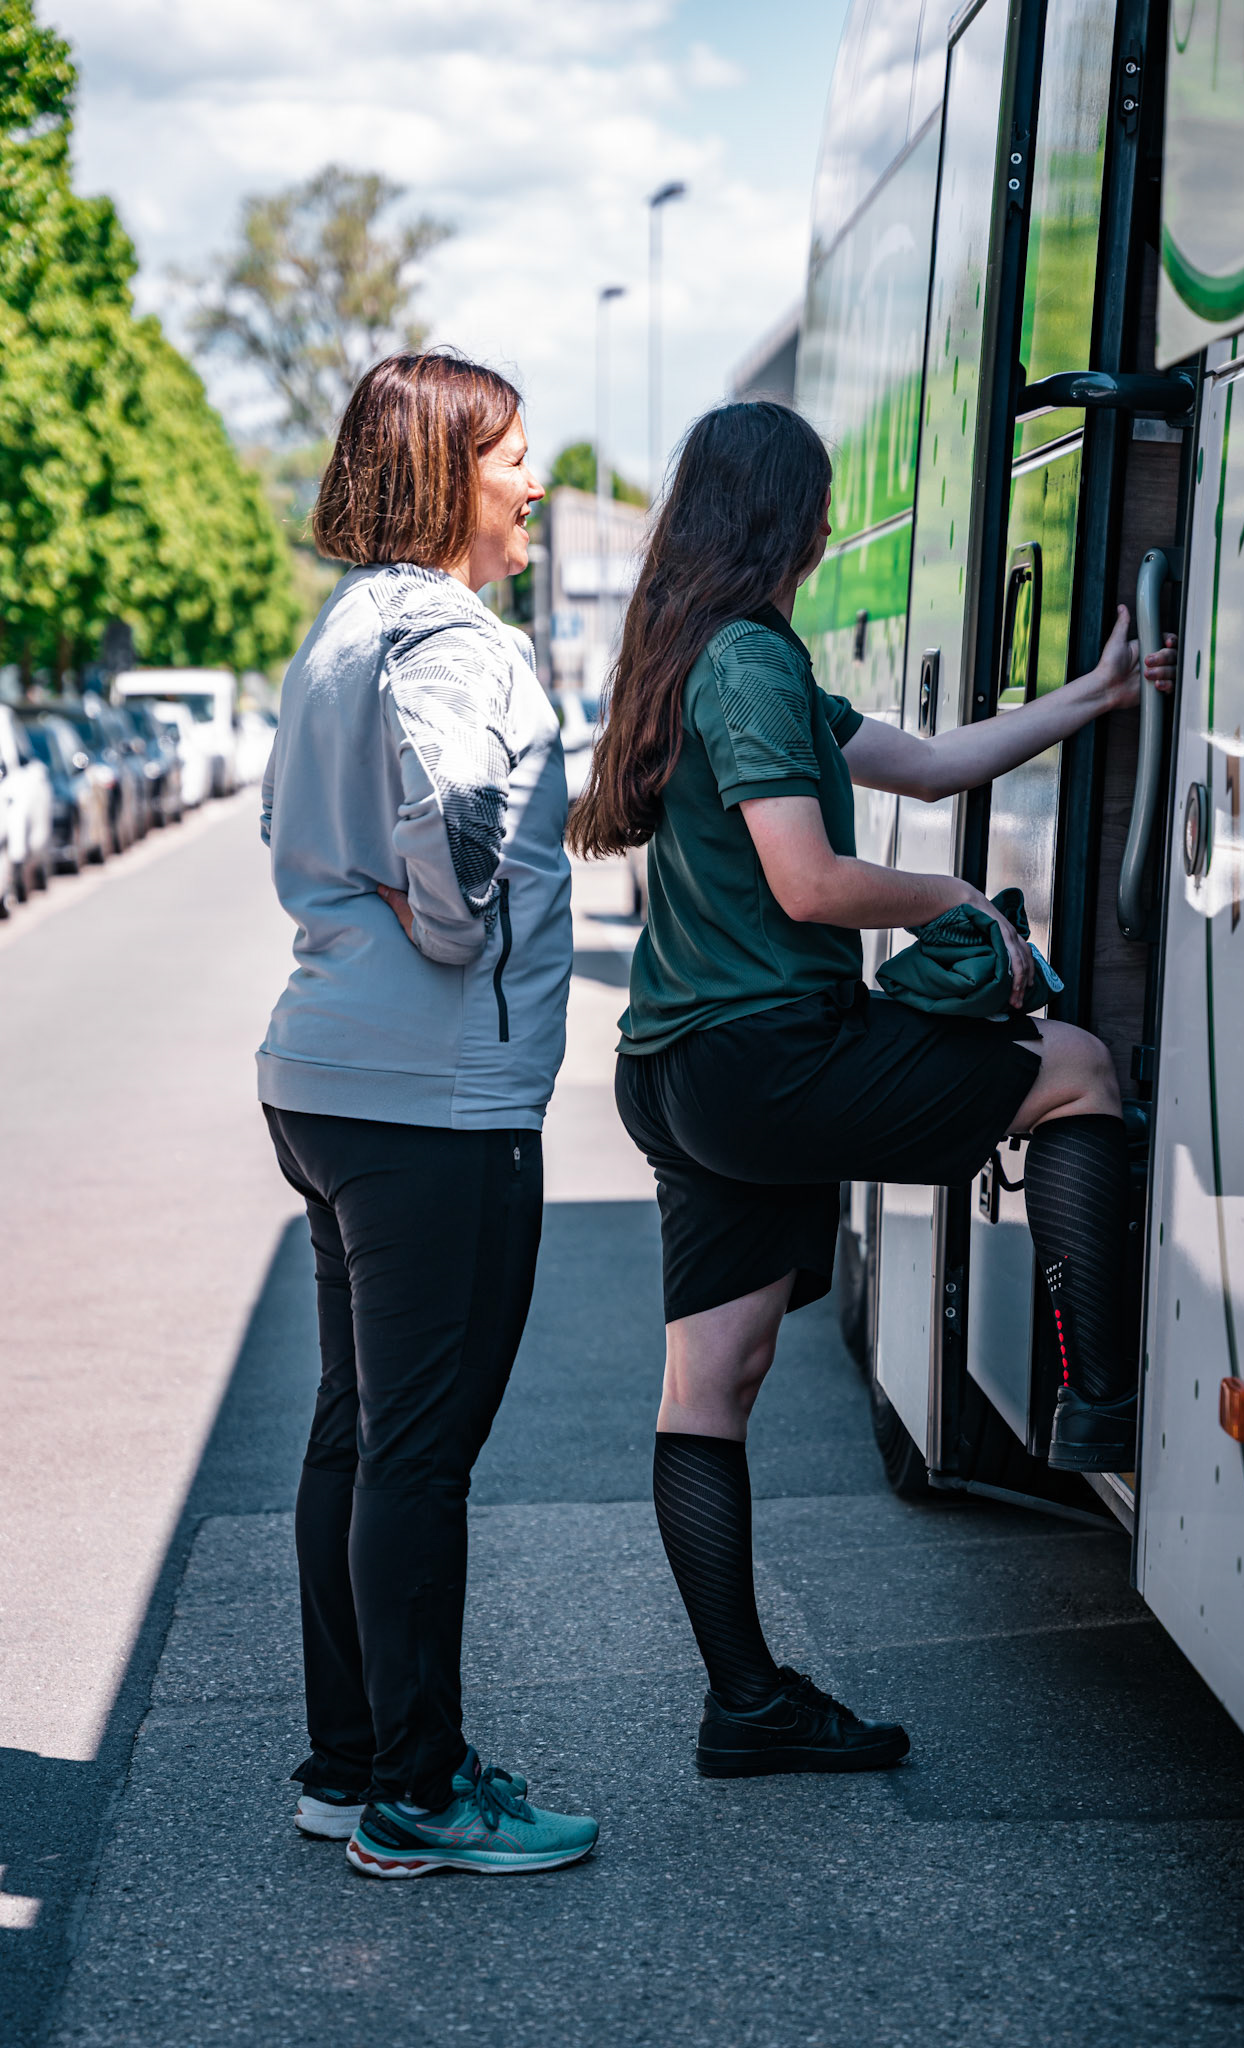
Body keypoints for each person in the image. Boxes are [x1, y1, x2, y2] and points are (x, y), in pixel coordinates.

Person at [569, 400, 1176, 1780]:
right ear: (793, 518)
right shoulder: (747, 667)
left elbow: (930, 759)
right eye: (825, 504)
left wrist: (1097, 694)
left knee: (709, 1380)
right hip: (764, 1057)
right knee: (1072, 1066)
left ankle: (745, 1704)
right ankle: (1094, 1405)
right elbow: (810, 883)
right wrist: (960, 901)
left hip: (675, 1069)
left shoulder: (705, 657)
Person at [257, 349, 599, 1877]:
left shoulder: (344, 630)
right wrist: (457, 925)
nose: (534, 483)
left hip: (334, 1084)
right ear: (451, 474)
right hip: (434, 1104)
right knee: (417, 1457)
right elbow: (461, 824)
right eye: (514, 456)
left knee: (359, 1438)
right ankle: (417, 1792)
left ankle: (352, 1766)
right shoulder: (450, 639)